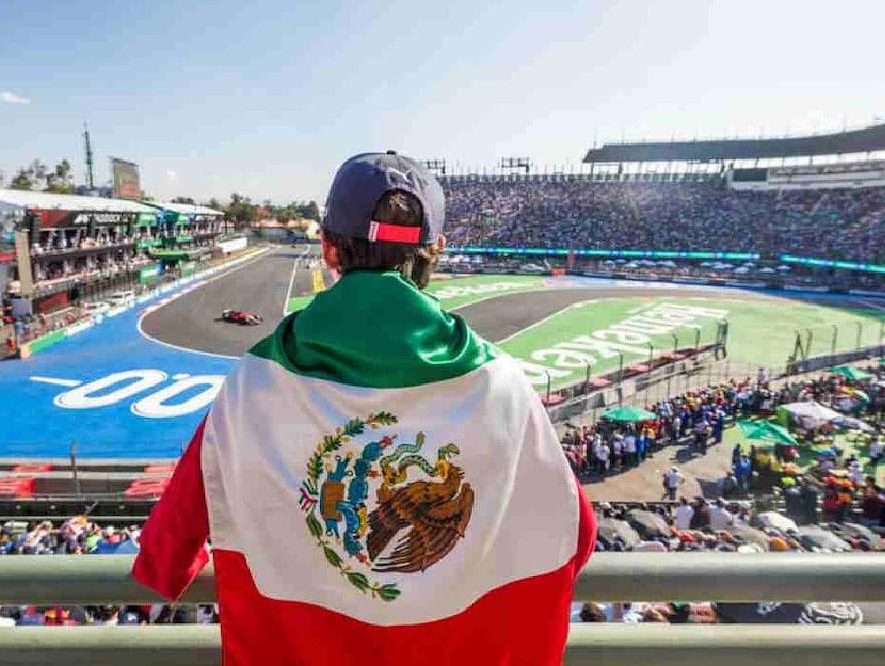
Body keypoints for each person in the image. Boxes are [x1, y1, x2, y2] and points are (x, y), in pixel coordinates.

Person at [132, 151, 596, 666]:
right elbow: (574, 534)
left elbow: (166, 555)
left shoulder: (252, 384)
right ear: (435, 251)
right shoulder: (502, 384)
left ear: (329, 250)